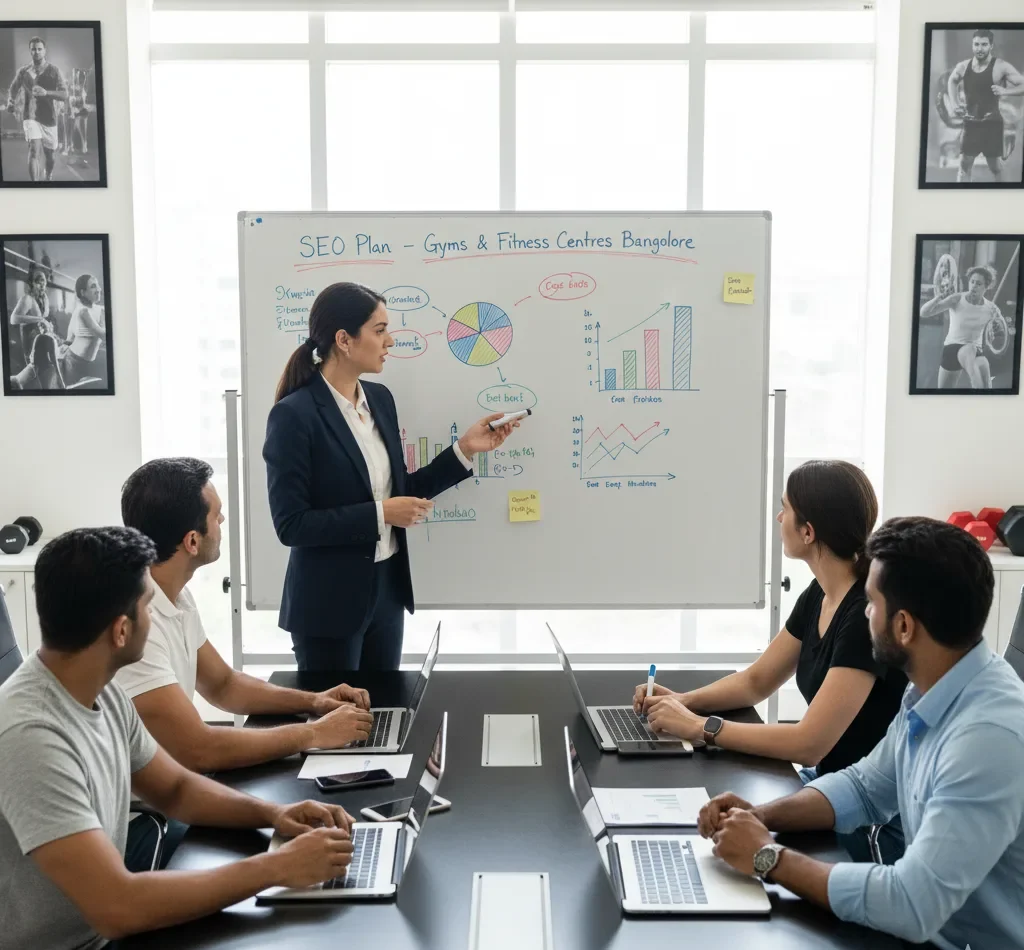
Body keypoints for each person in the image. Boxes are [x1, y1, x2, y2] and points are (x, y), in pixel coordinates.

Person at [0, 527, 358, 950]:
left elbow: (176, 788)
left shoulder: (103, 690)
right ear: (120, 631)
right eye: (147, 607)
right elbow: (119, 906)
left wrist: (275, 814)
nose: (153, 619)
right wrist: (276, 867)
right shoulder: (32, 739)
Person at [699, 517, 1024, 950]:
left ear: (904, 626)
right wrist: (762, 817)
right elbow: (866, 787)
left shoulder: (986, 740)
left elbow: (912, 903)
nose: (865, 613)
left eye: (871, 603)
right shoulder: (935, 686)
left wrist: (767, 857)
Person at [633, 460, 907, 862]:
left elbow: (809, 743)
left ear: (808, 531)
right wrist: (681, 702)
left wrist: (698, 727)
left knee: (718, 848)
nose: (779, 517)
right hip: (828, 788)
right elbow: (756, 681)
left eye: (785, 509)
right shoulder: (821, 592)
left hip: (870, 822)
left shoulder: (865, 612)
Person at [117, 457, 375, 870]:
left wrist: (315, 701)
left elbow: (222, 685)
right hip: (143, 827)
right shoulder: (136, 627)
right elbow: (199, 749)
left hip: (178, 796)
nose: (223, 522)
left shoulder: (172, 593)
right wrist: (312, 734)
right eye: (217, 517)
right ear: (192, 541)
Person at [264, 282, 520, 672]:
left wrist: (465, 449)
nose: (390, 341)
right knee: (338, 727)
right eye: (380, 330)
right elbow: (291, 525)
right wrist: (381, 514)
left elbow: (402, 493)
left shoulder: (380, 400)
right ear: (344, 340)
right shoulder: (294, 416)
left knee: (388, 716)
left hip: (386, 590)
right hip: (328, 605)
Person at [947, 29, 1024, 183]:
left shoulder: (1001, 66)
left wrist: (1006, 91)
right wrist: (955, 103)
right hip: (970, 122)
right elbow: (952, 80)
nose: (979, 48)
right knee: (964, 164)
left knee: (994, 166)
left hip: (992, 122)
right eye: (976, 44)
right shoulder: (963, 66)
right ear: (972, 45)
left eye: (983, 44)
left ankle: (1004, 196)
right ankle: (960, 198)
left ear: (991, 46)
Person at [920, 264, 1007, 389]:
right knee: (944, 394)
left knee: (981, 363)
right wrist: (938, 297)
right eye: (972, 282)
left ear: (986, 287)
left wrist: (996, 325)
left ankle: (981, 393)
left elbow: (1001, 334)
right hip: (952, 349)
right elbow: (924, 313)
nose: (973, 286)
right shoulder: (957, 299)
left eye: (978, 284)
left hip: (974, 351)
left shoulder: (990, 308)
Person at [4, 36, 68, 182]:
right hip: (30, 117)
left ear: (44, 51)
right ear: (30, 51)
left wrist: (47, 93)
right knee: (34, 150)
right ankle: (35, 186)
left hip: (49, 118)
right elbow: (14, 88)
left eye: (39, 49)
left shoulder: (54, 70)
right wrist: (11, 101)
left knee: (50, 156)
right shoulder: (24, 71)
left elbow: (65, 95)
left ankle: (48, 173)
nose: (37, 52)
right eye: (34, 49)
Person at [9, 269, 62, 389]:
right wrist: (39, 320)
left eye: (44, 281)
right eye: (38, 281)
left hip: (41, 340)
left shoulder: (45, 299)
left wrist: (48, 325)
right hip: (30, 343)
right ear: (31, 283)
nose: (42, 284)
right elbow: (13, 319)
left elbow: (43, 319)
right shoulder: (27, 299)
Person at [61, 273, 108, 387]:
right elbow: (103, 335)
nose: (98, 289)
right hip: (74, 362)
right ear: (83, 293)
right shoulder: (82, 311)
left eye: (98, 286)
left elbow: (70, 337)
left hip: (87, 362)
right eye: (93, 286)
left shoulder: (99, 309)